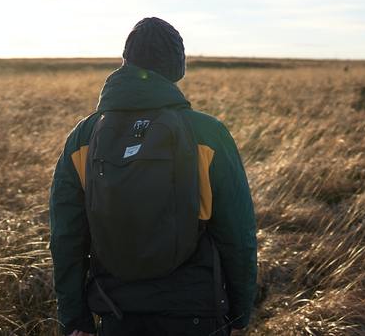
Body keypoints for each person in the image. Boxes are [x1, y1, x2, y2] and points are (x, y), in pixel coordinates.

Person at [49, 17, 257, 336]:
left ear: (125, 62)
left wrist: (75, 320)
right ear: (178, 69)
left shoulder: (84, 137)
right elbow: (237, 233)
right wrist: (241, 313)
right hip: (196, 312)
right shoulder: (207, 134)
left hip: (115, 312)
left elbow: (67, 237)